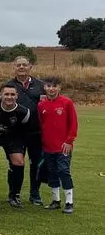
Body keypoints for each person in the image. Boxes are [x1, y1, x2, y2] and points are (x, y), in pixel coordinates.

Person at [4, 56, 47, 205]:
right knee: (16, 163)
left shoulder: (41, 85)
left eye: (24, 65)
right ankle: (13, 194)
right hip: (16, 133)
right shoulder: (8, 86)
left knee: (36, 164)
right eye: (18, 65)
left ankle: (35, 194)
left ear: (30, 67)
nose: (21, 67)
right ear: (14, 67)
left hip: (36, 132)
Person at [0, 85, 31, 208]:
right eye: (6, 94)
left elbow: (24, 129)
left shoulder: (23, 112)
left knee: (19, 162)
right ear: (0, 95)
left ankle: (14, 195)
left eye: (12, 95)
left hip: (12, 137)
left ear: (17, 96)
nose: (9, 97)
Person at [38, 77, 78, 214]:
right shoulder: (41, 105)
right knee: (52, 173)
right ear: (44, 87)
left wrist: (69, 141)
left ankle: (69, 202)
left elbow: (73, 124)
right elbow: (41, 125)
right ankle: (56, 200)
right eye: (49, 86)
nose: (51, 89)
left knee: (63, 171)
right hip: (48, 147)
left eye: (55, 86)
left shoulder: (67, 103)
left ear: (59, 87)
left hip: (63, 147)